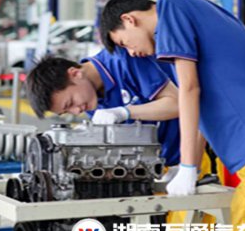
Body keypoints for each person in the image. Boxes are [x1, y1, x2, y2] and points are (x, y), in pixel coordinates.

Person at [99, 0, 245, 231]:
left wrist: (188, 167)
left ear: (129, 19)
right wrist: (191, 168)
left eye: (124, 43)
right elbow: (199, 105)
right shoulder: (184, 19)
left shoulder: (171, 6)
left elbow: (189, 90)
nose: (131, 53)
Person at [25, 51, 181, 170]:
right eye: (67, 111)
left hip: (191, 156)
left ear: (75, 73)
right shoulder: (91, 101)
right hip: (167, 165)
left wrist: (125, 112)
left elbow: (178, 104)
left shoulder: (124, 59)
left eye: (70, 103)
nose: (76, 111)